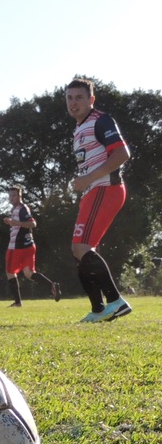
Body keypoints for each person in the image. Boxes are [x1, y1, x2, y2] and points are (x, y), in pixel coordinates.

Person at [65, 78, 132, 323]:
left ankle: (115, 301)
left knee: (81, 247)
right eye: (70, 98)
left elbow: (122, 153)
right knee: (79, 250)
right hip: (94, 190)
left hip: (107, 188)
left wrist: (88, 179)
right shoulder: (79, 128)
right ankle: (98, 310)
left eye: (79, 97)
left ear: (91, 100)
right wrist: (83, 182)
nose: (74, 103)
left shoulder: (100, 121)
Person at [2, 185, 62, 307]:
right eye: (10, 196)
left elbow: (33, 224)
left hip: (17, 247)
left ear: (20, 196)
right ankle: (52, 286)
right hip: (29, 246)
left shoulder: (22, 209)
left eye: (14, 195)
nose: (11, 198)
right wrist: (12, 222)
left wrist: (15, 223)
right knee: (29, 273)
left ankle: (18, 302)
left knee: (9, 272)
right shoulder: (19, 209)